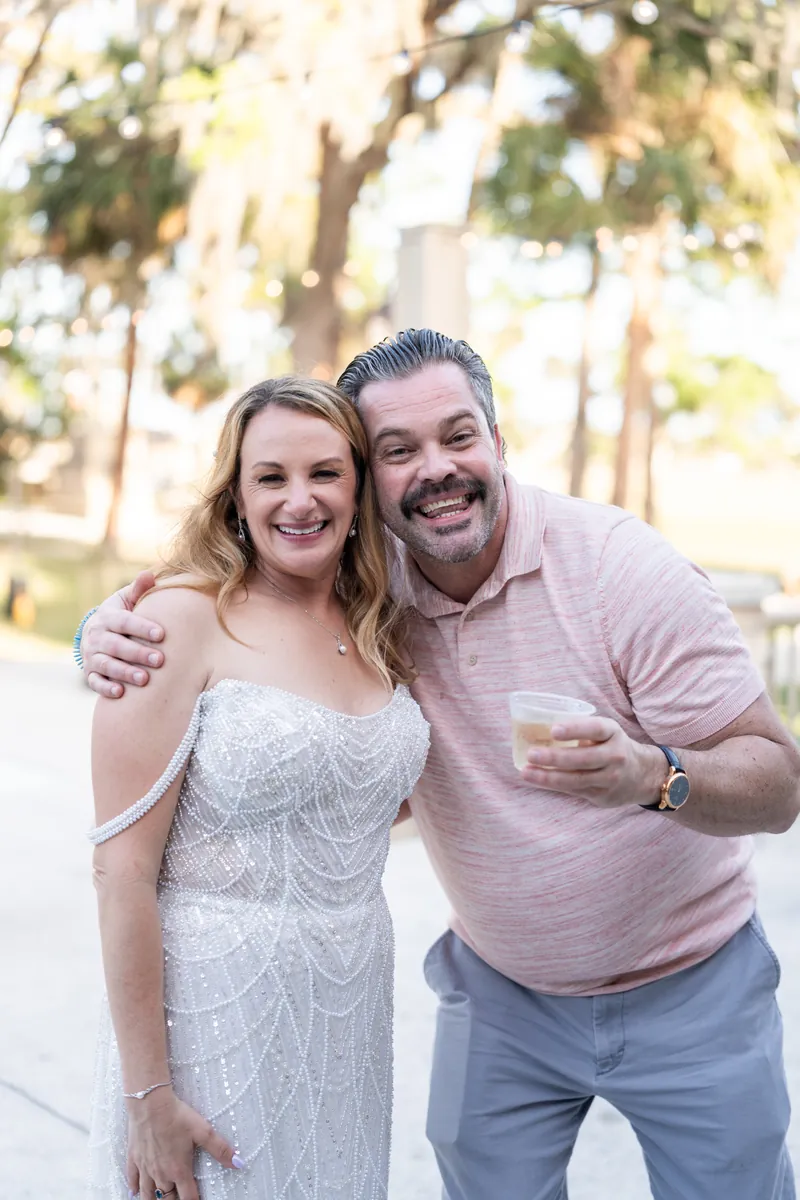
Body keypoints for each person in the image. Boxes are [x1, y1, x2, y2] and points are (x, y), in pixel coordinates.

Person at [82, 329, 800, 1200]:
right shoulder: (369, 590)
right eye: (397, 450)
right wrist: (102, 632)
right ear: (371, 477)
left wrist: (652, 777)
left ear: (497, 443)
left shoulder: (622, 572)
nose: (435, 470)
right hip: (499, 1000)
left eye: (457, 436)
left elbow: (779, 779)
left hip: (692, 987)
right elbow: (227, 625)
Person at [87, 375, 430, 1200]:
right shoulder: (175, 620)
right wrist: (148, 1098)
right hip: (209, 1018)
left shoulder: (382, 626)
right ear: (235, 498)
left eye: (325, 472)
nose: (300, 500)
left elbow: (366, 798)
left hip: (348, 1009)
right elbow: (122, 872)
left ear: (359, 489)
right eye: (271, 477)